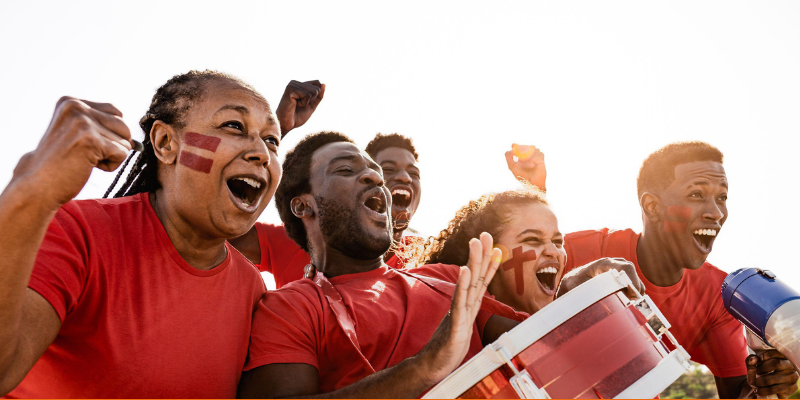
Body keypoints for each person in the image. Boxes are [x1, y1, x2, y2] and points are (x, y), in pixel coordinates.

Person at [236, 132, 643, 398]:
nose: (372, 178)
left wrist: (581, 289)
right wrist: (428, 365)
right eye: (346, 170)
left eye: (372, 171)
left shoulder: (448, 280)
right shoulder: (288, 309)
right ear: (304, 204)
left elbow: (546, 343)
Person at [0, 71, 322, 398]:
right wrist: (32, 189)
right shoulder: (79, 231)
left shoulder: (251, 288)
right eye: (233, 126)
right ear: (166, 143)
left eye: (272, 141)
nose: (263, 154)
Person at [507, 142, 799, 398]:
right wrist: (533, 190)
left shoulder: (719, 296)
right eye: (697, 195)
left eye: (722, 197)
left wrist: (768, 382)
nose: (716, 212)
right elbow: (510, 303)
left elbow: (738, 392)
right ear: (652, 206)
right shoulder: (583, 253)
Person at [229, 132, 423, 287]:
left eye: (414, 172)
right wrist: (273, 134)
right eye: (387, 169)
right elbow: (213, 233)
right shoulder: (300, 237)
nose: (405, 178)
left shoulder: (426, 259)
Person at [423, 186, 564, 315]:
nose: (554, 251)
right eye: (532, 239)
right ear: (489, 254)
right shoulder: (450, 321)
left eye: (557, 242)